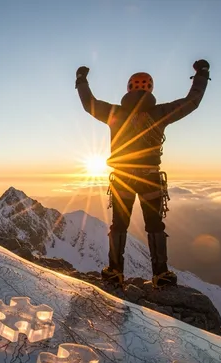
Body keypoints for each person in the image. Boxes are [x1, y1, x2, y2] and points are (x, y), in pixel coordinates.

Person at [75, 59, 210, 287]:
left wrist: (81, 80)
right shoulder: (160, 113)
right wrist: (201, 74)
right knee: (155, 226)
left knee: (119, 225)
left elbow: (89, 104)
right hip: (150, 177)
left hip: (122, 178)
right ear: (151, 89)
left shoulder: (113, 113)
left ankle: (115, 271)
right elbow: (191, 102)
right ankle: (161, 274)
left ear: (128, 88)